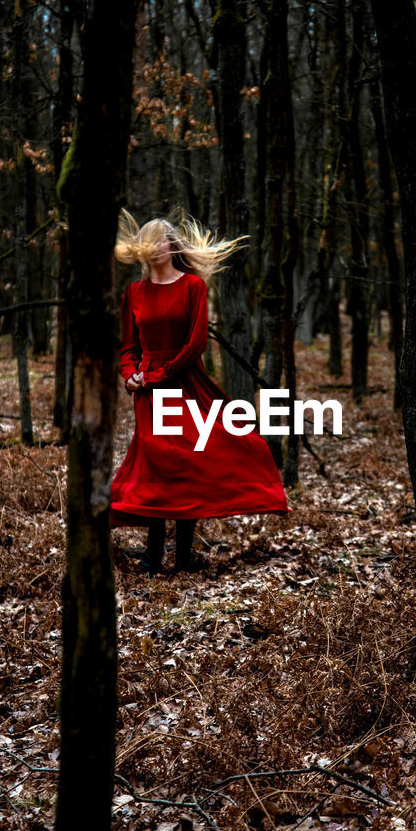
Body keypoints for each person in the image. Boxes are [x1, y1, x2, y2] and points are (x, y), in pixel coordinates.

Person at [111, 212, 289, 573]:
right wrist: (130, 375)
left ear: (173, 245)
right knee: (158, 465)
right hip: (146, 392)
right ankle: (152, 555)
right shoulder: (134, 293)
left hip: (184, 382)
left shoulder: (192, 286)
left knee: (187, 463)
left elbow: (196, 344)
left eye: (161, 239)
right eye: (149, 240)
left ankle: (183, 557)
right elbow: (128, 347)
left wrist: (159, 374)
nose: (156, 246)